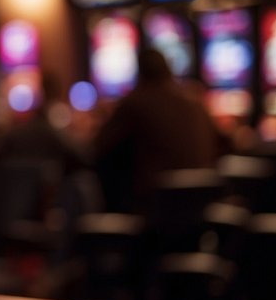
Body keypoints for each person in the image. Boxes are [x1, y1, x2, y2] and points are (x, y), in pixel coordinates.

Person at [91, 48, 230, 215]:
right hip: (202, 210)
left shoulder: (136, 102)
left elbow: (97, 148)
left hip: (155, 210)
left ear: (140, 73)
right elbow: (226, 142)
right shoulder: (194, 101)